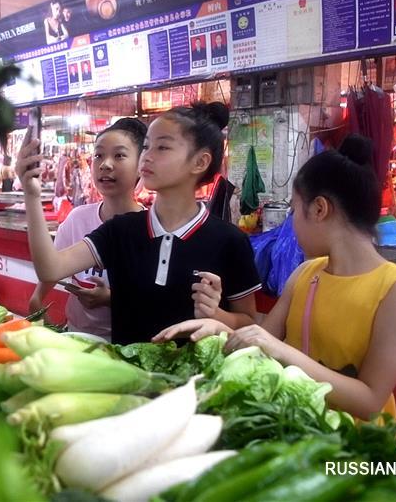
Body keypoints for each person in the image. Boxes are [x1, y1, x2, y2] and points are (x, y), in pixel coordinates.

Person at [159, 135, 396, 423]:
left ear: (319, 209)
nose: (292, 221)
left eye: (294, 210)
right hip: (300, 432)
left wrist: (280, 350)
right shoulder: (306, 274)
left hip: (357, 450)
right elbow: (261, 344)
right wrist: (217, 324)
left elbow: (370, 401)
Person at [16, 102, 261, 344]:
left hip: (196, 382)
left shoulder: (230, 241)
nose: (147, 156)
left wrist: (216, 316)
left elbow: (249, 323)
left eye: (162, 147)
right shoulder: (121, 229)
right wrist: (31, 195)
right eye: (146, 146)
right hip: (128, 377)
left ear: (200, 162)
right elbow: (50, 269)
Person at [29, 118, 147, 340]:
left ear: (142, 166)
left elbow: (155, 301)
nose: (105, 164)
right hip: (78, 337)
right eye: (98, 155)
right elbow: (53, 267)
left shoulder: (150, 228)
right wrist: (36, 299)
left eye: (119, 155)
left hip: (127, 346)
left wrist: (109, 299)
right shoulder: (78, 218)